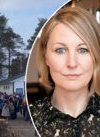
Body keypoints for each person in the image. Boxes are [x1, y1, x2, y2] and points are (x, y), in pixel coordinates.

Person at [30, 7, 100, 136]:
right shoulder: (34, 115)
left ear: (96, 56)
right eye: (60, 50)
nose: (72, 63)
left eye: (83, 50)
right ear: (46, 57)